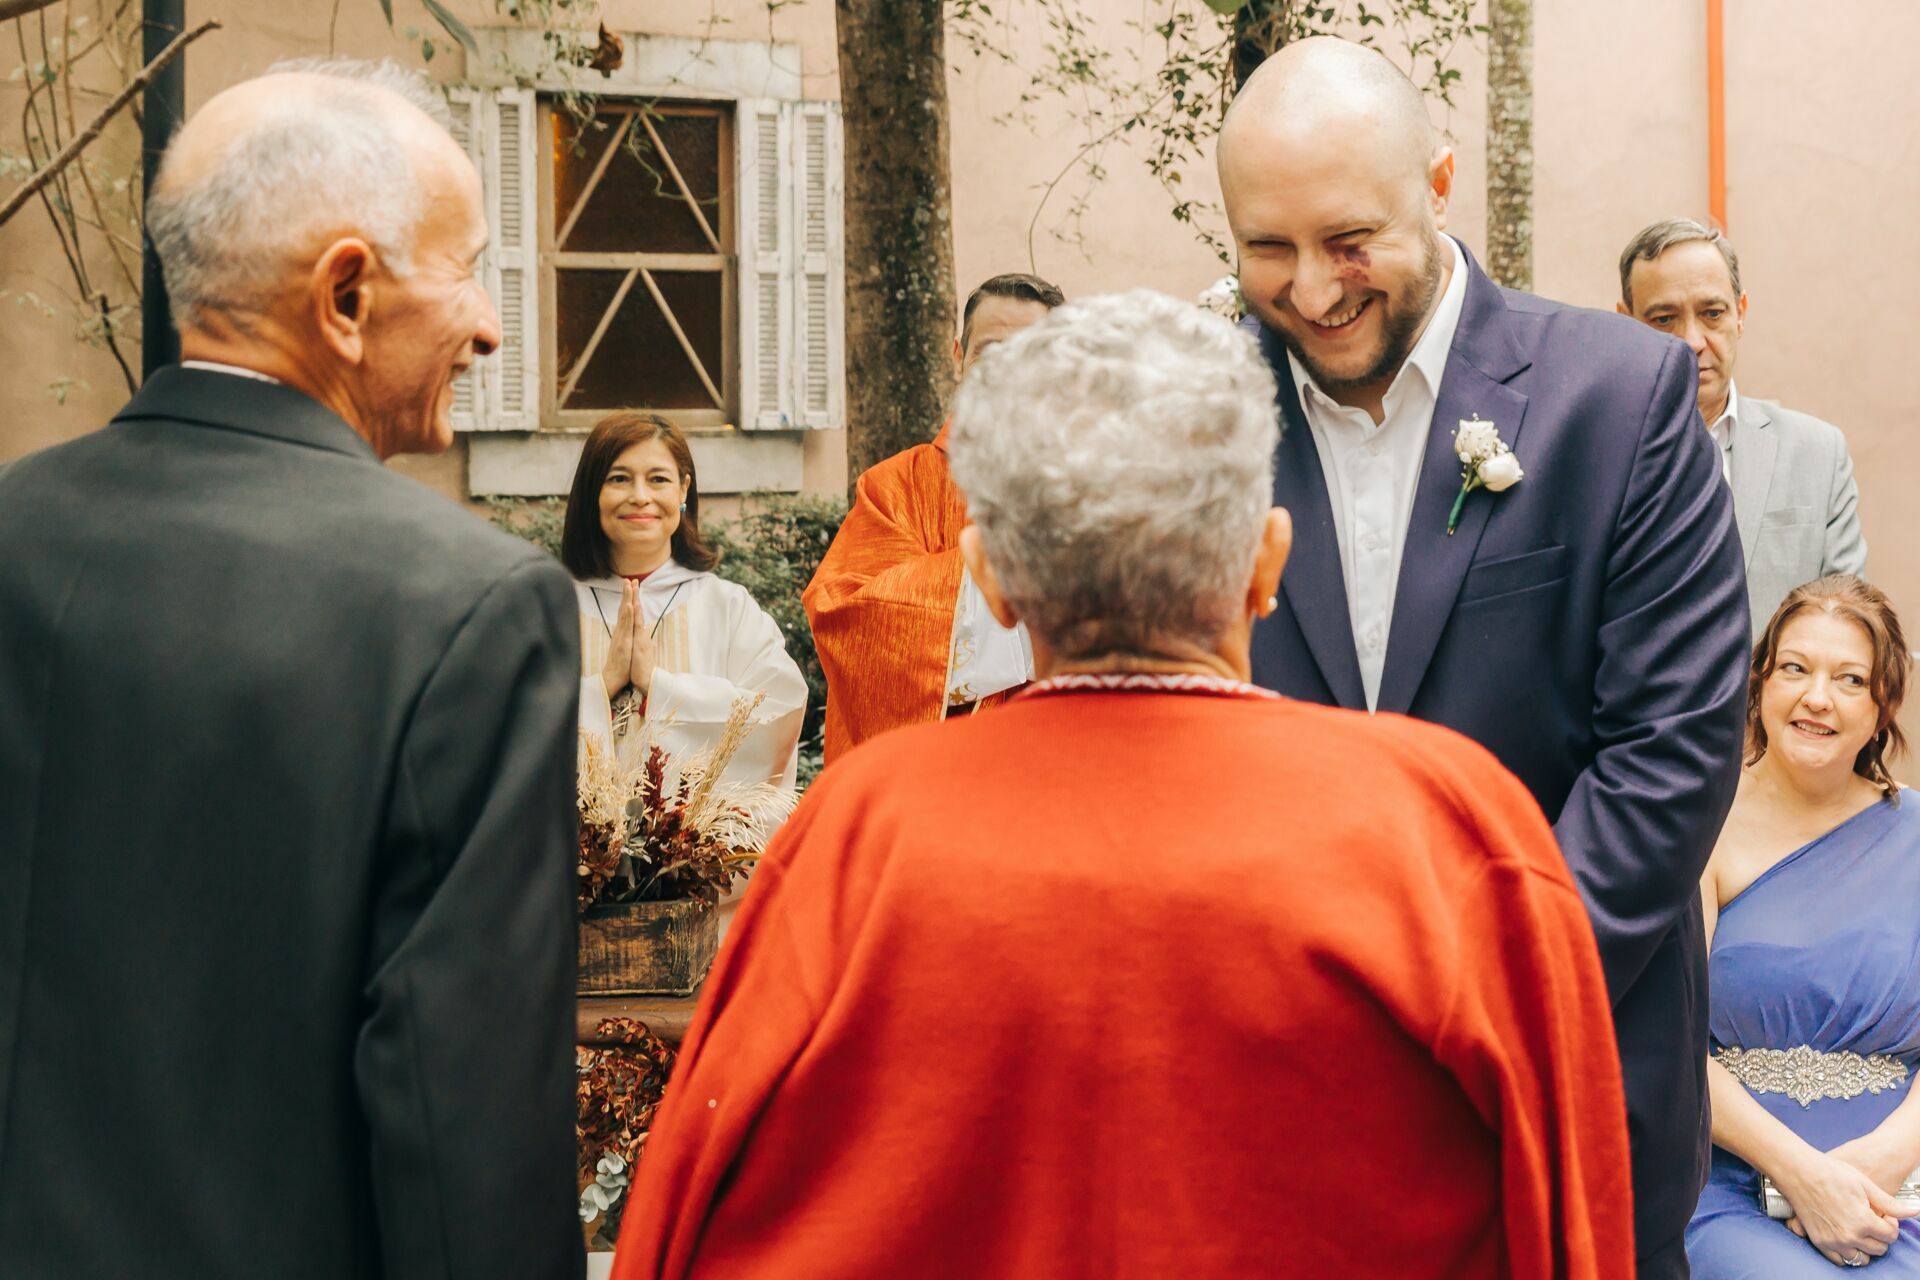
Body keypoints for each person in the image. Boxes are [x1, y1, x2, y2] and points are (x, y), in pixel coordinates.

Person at [609, 291, 1636, 1280]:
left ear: (994, 581)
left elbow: (691, 1201)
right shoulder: (1451, 820)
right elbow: (1567, 1211)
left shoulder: (857, 829)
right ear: (1267, 561)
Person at [0, 60, 583, 1278]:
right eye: (469, 267)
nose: (485, 324)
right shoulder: (468, 607)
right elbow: (458, 1117)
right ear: (348, 294)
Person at [1219, 38, 1752, 1277]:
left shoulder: (1620, 396)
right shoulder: (1203, 405)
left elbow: (1668, 757)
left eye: (1350, 239)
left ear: (1440, 182)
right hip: (1281, 1093)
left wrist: (1453, 1004)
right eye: (1264, 247)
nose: (1309, 289)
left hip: (1569, 1074)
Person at [1689, 575, 1920, 1275]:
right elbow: (1663, 1041)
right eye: (1795, 668)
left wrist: (1885, 1158)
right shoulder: (1698, 826)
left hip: (1899, 1184)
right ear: (1760, 683)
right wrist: (1804, 1177)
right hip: (1733, 1185)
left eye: (1850, 679)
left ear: (1883, 708)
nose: (1817, 697)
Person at [803, 272, 1063, 764]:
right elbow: (849, 614)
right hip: (943, 768)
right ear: (958, 356)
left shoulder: (1098, 487)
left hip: (1063, 757)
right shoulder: (894, 487)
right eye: (990, 351)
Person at [1618, 218, 1868, 635]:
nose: (1692, 341)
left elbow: (1845, 627)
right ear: (1627, 323)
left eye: (1712, 313)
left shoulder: (1818, 454)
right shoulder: (1590, 454)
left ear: (1741, 314)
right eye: (1664, 319)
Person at [562, 411, 807, 789]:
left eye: (658, 479)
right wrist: (603, 686)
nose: (640, 496)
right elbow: (510, 725)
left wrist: (659, 687)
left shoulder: (727, 608)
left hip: (697, 846)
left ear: (682, 490)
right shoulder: (553, 608)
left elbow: (779, 713)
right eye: (618, 479)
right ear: (593, 493)